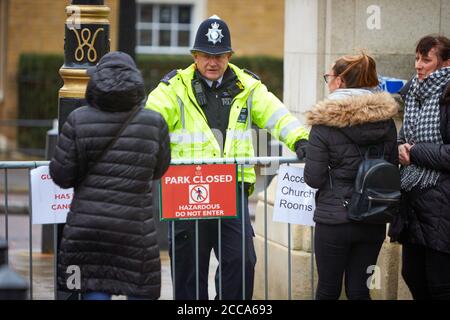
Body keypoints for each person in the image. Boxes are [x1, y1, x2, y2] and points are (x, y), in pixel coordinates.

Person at [145, 15, 309, 300]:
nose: (213, 62)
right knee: (188, 272)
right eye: (206, 55)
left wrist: (300, 139)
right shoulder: (174, 88)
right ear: (195, 56)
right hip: (186, 191)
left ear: (229, 56)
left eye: (219, 55)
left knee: (242, 261)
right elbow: (150, 120)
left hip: (229, 190)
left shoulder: (247, 87)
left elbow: (277, 116)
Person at [49, 51, 171, 300]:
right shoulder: (154, 123)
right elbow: (159, 170)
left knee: (94, 289)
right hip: (135, 229)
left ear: (95, 83)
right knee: (138, 288)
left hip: (88, 228)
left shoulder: (77, 120)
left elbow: (61, 175)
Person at [304, 53, 399, 300]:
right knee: (359, 290)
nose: (328, 82)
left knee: (327, 289)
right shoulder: (386, 121)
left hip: (334, 219)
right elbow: (390, 167)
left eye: (330, 77)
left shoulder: (324, 123)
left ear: (342, 81)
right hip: (373, 218)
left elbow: (313, 178)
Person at [390, 35, 450, 300]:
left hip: (442, 203)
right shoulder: (414, 92)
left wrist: (414, 153)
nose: (418, 65)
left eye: (426, 59)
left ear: (446, 63)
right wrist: (400, 147)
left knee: (440, 284)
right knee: (412, 275)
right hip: (413, 200)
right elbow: (406, 136)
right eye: (417, 58)